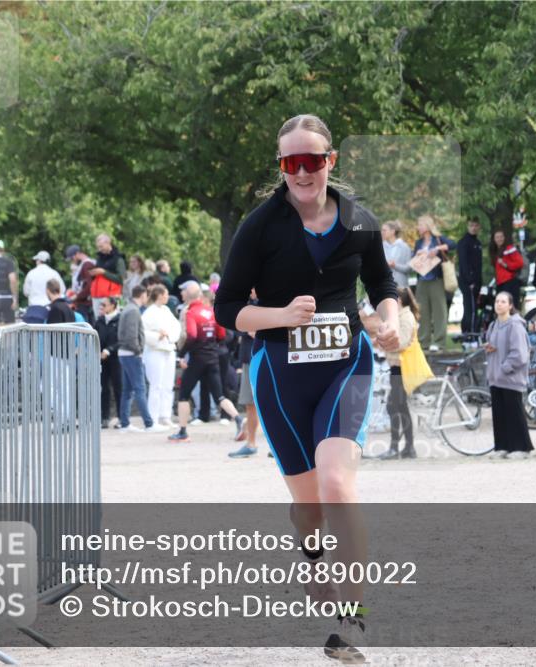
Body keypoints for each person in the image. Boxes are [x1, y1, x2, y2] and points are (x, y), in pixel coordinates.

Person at [213, 113, 399, 663]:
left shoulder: (358, 220)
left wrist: (388, 318)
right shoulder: (261, 226)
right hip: (280, 376)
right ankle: (311, 550)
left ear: (330, 161)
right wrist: (278, 314)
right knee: (310, 506)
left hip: (347, 366)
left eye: (311, 161)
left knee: (338, 486)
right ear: (281, 168)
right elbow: (228, 310)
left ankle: (353, 622)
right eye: (290, 163)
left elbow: (383, 282)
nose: (301, 172)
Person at [169, 285, 244, 443]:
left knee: (183, 394)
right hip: (213, 357)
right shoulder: (210, 312)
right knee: (219, 395)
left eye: (183, 292)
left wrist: (181, 354)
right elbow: (221, 334)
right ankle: (238, 419)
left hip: (197, 358)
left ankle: (183, 431)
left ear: (188, 296)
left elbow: (192, 335)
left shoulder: (190, 313)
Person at [485, 291, 534, 459]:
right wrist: (490, 348)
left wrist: (505, 367)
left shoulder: (515, 325)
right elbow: (493, 344)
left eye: (503, 301)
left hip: (510, 377)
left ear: (510, 305)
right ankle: (502, 446)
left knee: (514, 413)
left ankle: (521, 447)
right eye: (497, 301)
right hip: (495, 377)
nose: (499, 304)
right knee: (499, 414)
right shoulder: (494, 325)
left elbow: (520, 353)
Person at [116, 286, 165, 433]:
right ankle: (149, 423)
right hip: (131, 354)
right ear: (142, 295)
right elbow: (132, 336)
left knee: (128, 390)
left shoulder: (128, 308)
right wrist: (138, 351)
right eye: (146, 295)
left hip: (124, 353)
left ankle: (125, 423)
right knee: (140, 388)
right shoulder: (133, 310)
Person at [380, 288, 419, 460]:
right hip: (396, 366)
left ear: (399, 301)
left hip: (402, 367)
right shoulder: (401, 316)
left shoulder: (405, 317)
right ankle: (408, 447)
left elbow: (402, 343)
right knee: (399, 407)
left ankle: (397, 447)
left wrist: (384, 343)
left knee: (394, 407)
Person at [413, 214, 456, 352]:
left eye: (420, 224)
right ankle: (423, 342)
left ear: (427, 226)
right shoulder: (418, 243)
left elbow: (453, 245)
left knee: (439, 312)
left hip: (436, 281)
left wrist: (437, 249)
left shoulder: (438, 239)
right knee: (422, 312)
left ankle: (439, 342)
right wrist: (418, 254)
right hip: (422, 281)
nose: (418, 227)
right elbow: (413, 261)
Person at [228, 289, 263, 458]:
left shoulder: (266, 302)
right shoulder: (245, 304)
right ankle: (251, 442)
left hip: (263, 354)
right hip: (250, 356)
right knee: (250, 403)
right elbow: (238, 326)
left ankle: (255, 443)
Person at [142, 284, 181, 427]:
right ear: (159, 295)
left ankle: (165, 415)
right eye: (165, 294)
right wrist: (158, 335)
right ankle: (153, 417)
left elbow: (176, 327)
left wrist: (170, 336)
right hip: (155, 350)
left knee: (167, 385)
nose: (167, 297)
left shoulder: (166, 310)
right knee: (156, 385)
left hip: (169, 349)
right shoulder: (149, 312)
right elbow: (143, 332)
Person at [95, 296, 123, 428]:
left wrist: (109, 350)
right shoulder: (100, 320)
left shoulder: (120, 319)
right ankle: (104, 417)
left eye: (104, 305)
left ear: (113, 305)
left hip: (116, 358)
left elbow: (122, 340)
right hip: (101, 359)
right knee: (103, 389)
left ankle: (121, 417)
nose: (102, 307)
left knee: (119, 388)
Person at [457, 219, 484, 335]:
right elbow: (463, 264)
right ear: (467, 226)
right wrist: (470, 281)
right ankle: (470, 334)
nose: (473, 228)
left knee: (473, 308)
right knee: (471, 309)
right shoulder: (464, 242)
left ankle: (469, 332)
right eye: (471, 225)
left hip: (477, 281)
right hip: (468, 282)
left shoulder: (477, 243)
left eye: (476, 225)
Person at [90, 234, 126, 319]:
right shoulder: (99, 258)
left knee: (114, 320)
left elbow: (121, 279)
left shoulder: (118, 259)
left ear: (108, 243)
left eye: (101, 246)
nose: (99, 249)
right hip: (97, 296)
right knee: (99, 321)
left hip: (113, 297)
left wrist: (104, 272)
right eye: (98, 247)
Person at [23, 251, 65, 323]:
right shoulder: (54, 273)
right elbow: (62, 290)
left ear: (39, 261)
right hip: (50, 309)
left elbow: (26, 292)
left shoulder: (31, 273)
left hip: (34, 310)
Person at [490, 228, 525, 314]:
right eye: (497, 237)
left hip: (510, 282)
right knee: (501, 309)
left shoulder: (510, 248)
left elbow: (520, 263)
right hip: (501, 283)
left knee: (511, 308)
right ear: (493, 239)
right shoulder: (495, 251)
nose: (499, 239)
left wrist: (506, 264)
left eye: (501, 236)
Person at [65, 245, 96, 323]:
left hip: (85, 304)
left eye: (72, 258)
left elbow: (89, 286)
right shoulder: (83, 265)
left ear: (77, 254)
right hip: (83, 303)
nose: (72, 261)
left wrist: (76, 297)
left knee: (84, 330)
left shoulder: (87, 264)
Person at [381, 220, 412, 289]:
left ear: (393, 231)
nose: (382, 232)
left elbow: (408, 269)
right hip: (384, 286)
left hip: (400, 287)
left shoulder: (405, 247)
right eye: (382, 230)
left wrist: (395, 265)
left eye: (384, 230)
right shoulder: (380, 247)